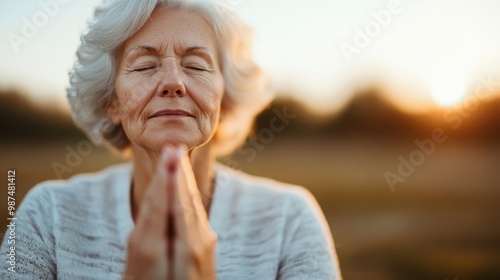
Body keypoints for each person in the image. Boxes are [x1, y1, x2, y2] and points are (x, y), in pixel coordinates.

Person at [1, 0, 342, 279]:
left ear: (224, 100)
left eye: (195, 65)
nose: (172, 82)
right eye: (145, 65)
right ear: (113, 102)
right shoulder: (47, 215)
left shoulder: (290, 219)